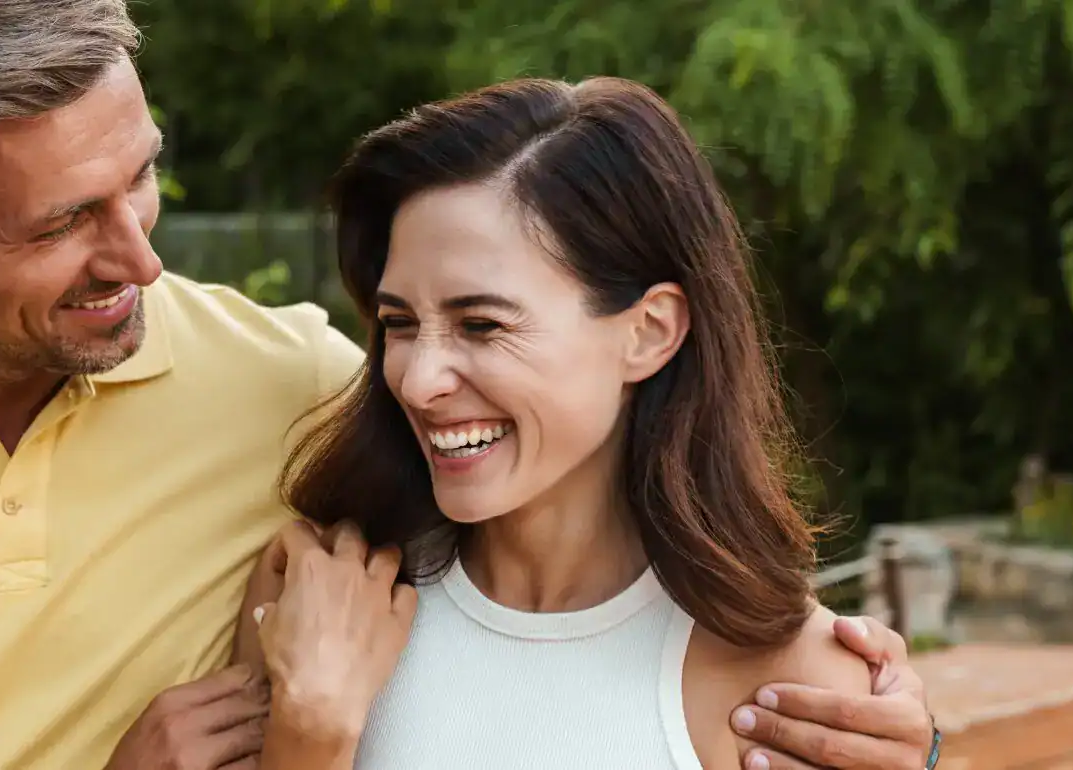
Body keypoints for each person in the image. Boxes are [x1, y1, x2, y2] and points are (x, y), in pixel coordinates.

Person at [0, 2, 940, 768]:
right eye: (61, 222)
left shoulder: (307, 394)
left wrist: (908, 736)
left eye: (141, 175)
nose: (141, 258)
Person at [239, 77, 943, 770]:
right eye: (399, 323)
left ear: (648, 332)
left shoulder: (793, 684)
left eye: (481, 324)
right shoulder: (315, 602)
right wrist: (310, 731)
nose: (419, 381)